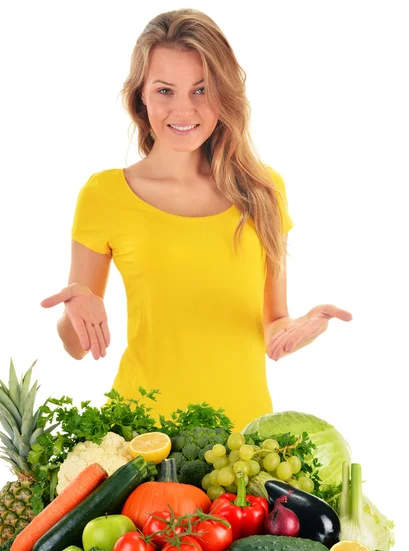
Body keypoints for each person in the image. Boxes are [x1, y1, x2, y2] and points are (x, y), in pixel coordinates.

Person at [40, 9, 352, 432]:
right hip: (142, 438)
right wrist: (75, 310)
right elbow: (77, 345)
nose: (183, 109)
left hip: (242, 440)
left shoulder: (263, 191)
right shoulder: (105, 195)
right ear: (141, 96)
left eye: (201, 90)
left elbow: (273, 322)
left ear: (223, 94)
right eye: (165, 90)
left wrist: (300, 329)